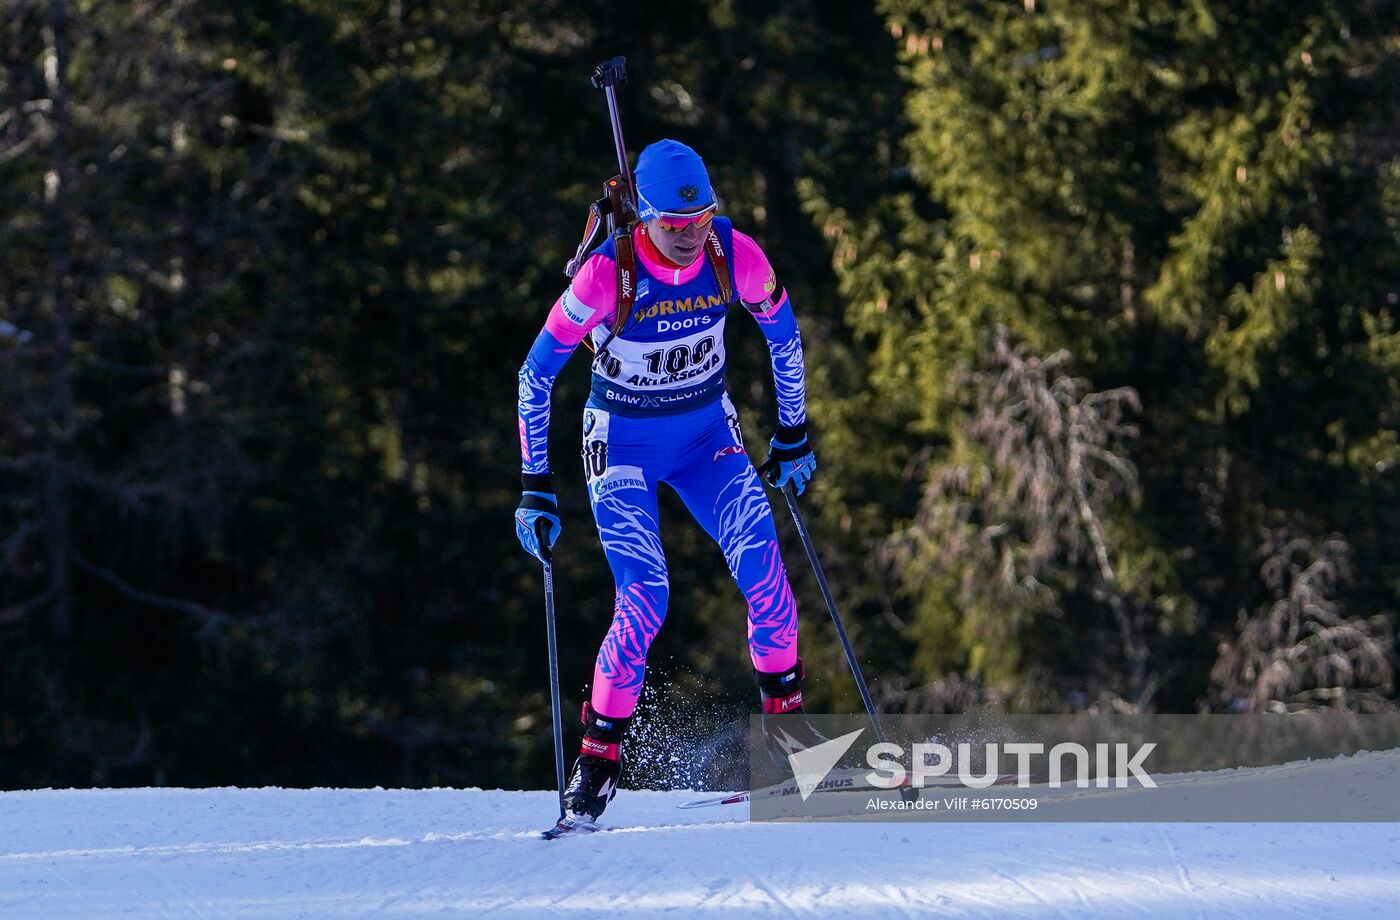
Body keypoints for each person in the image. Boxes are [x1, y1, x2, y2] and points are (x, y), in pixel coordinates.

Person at [514, 139, 818, 824]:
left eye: (700, 218)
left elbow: (785, 338)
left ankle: (793, 749)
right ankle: (597, 763)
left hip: (707, 436)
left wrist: (792, 431)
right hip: (621, 444)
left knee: (765, 572)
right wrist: (536, 483)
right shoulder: (604, 275)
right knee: (647, 594)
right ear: (644, 216)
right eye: (672, 223)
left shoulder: (734, 254)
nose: (688, 235)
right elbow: (535, 375)